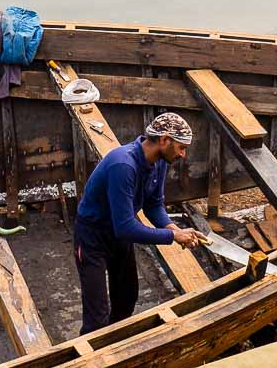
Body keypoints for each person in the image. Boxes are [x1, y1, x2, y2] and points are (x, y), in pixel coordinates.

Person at [73, 113, 206, 334]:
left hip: (119, 236)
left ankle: (113, 349)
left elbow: (154, 205)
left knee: (126, 298)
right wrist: (172, 237)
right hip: (92, 238)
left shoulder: (159, 162)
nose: (184, 154)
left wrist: (172, 227)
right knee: (96, 318)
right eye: (181, 147)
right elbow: (125, 227)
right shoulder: (123, 165)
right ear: (164, 140)